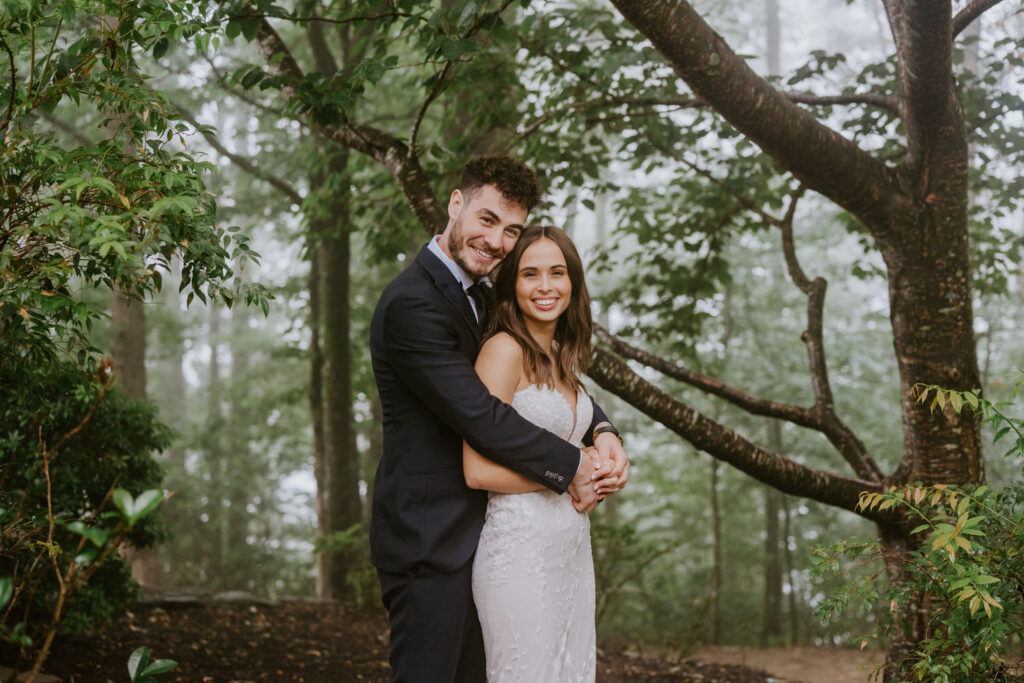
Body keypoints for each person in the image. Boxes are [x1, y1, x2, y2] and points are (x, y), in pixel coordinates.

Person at [369, 156, 628, 682]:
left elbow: (542, 376)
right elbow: (482, 413)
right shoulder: (412, 305)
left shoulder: (484, 298)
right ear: (456, 204)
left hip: (493, 536)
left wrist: (603, 430)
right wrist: (574, 466)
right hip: (431, 539)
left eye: (512, 229)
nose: (497, 240)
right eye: (487, 219)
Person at [464, 225, 601, 682]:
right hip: (520, 554)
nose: (545, 287)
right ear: (512, 285)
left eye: (557, 273)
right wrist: (569, 475)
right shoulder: (502, 352)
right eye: (530, 274)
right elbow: (477, 470)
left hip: (571, 549)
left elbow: (571, 440)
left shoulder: (563, 354)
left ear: (573, 282)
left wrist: (603, 454)